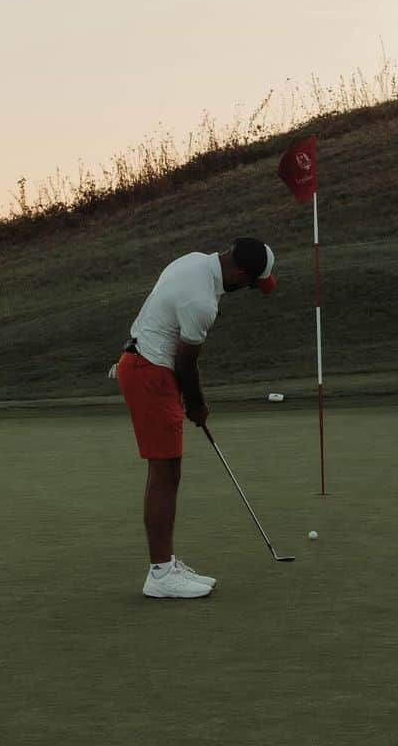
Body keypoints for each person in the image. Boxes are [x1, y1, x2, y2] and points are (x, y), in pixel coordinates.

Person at [115, 238, 277, 599]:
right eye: (250, 284)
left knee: (166, 470)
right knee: (165, 471)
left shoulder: (195, 261)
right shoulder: (202, 302)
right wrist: (197, 405)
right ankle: (160, 574)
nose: (247, 289)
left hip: (146, 364)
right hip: (150, 371)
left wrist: (188, 402)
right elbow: (186, 363)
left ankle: (165, 564)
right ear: (238, 272)